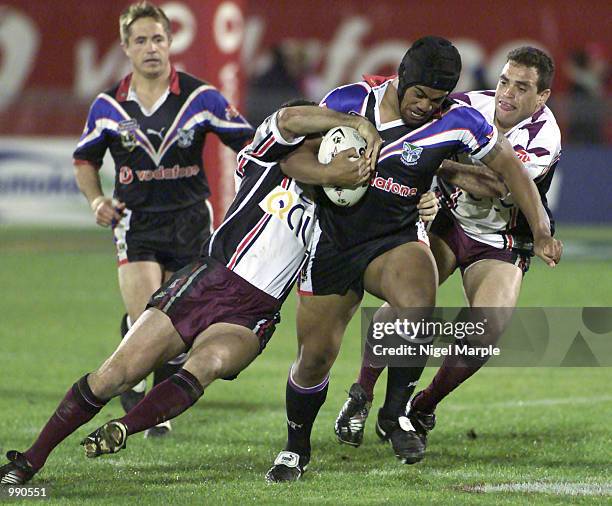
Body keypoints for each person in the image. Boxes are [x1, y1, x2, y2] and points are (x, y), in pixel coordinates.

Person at [0, 101, 384, 485]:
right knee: (113, 375)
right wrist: (354, 122)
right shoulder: (266, 158)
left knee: (208, 364)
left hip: (254, 313)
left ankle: (123, 428)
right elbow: (288, 118)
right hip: (205, 282)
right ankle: (28, 462)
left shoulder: (343, 211)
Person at [265, 37, 562, 482]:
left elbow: (507, 175)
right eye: (419, 95)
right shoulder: (349, 102)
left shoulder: (463, 120)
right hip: (339, 239)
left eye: (436, 99)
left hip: (428, 237)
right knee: (315, 356)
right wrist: (333, 174)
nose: (426, 106)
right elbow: (292, 158)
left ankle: (400, 411)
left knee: (427, 302)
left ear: (542, 96)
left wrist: (540, 229)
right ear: (401, 79)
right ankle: (297, 447)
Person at [72, 2, 254, 437]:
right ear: (125, 47)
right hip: (136, 223)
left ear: (171, 42)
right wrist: (97, 200)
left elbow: (250, 143)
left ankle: (152, 401)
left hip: (190, 220)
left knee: (180, 324)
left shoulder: (201, 98)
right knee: (146, 319)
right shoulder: (107, 106)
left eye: (157, 38)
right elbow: (84, 160)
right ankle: (140, 383)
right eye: (141, 40)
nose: (150, 48)